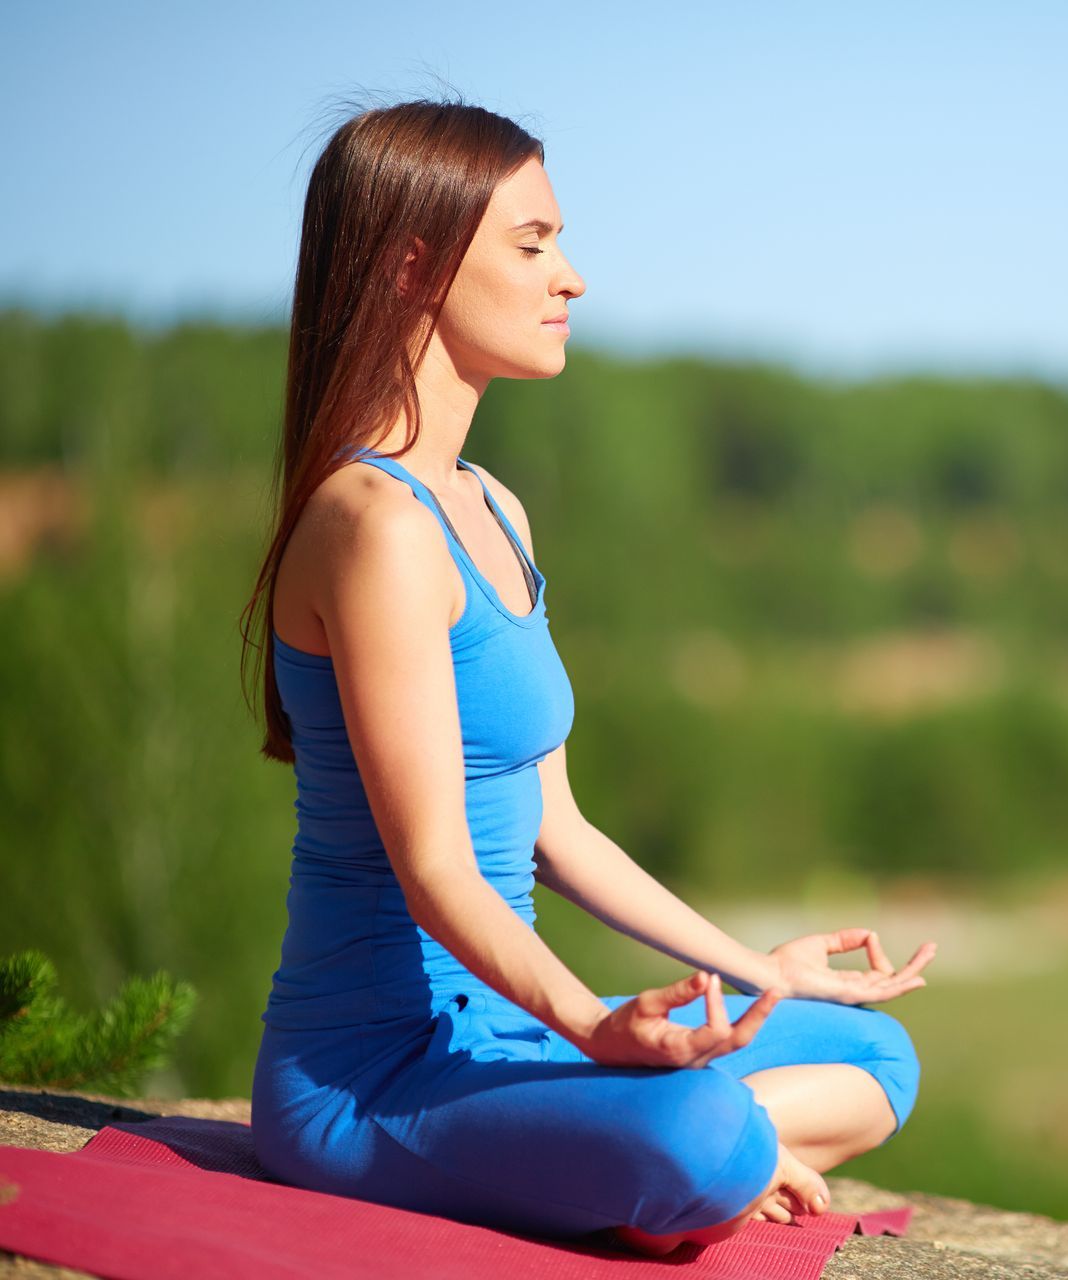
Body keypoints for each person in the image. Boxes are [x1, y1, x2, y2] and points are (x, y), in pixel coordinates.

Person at [238, 96, 937, 1256]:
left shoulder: (491, 509)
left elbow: (557, 827)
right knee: (704, 1130)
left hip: (510, 1041)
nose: (571, 278)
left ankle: (677, 1153)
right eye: (533, 244)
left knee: (874, 1054)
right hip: (375, 1077)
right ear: (415, 266)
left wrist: (752, 965)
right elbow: (433, 869)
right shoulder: (376, 526)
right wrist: (594, 1024)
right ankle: (690, 1155)